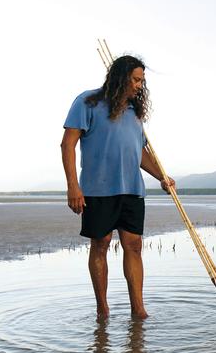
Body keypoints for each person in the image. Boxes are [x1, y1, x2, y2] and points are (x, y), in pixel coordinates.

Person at [61, 55, 175, 319]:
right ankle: (103, 310)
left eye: (142, 81)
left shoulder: (135, 112)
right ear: (121, 76)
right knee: (100, 244)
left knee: (134, 246)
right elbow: (67, 144)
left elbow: (140, 152)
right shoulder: (87, 102)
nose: (139, 85)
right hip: (98, 189)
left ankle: (139, 310)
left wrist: (162, 176)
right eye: (136, 79)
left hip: (132, 189)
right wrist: (72, 187)